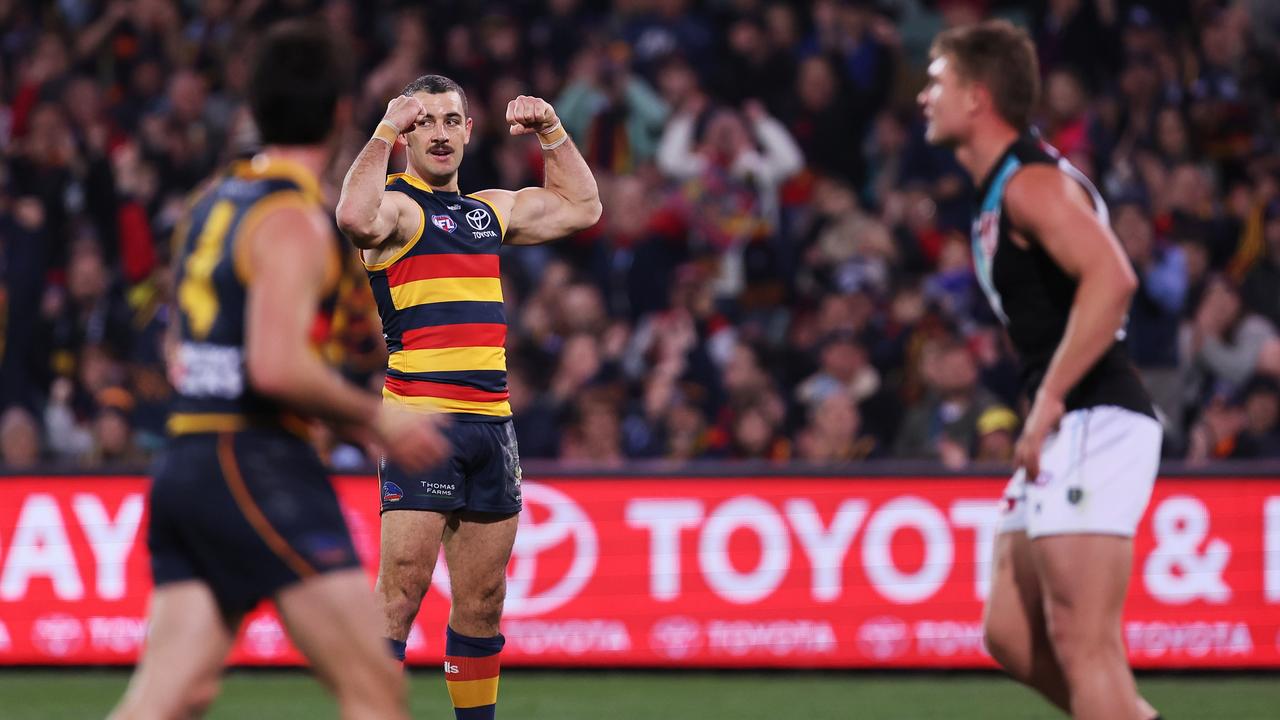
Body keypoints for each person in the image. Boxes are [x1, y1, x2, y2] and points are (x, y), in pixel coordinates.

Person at [110, 22, 448, 720]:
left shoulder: (212, 202)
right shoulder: (293, 220)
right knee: (375, 691)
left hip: (188, 459)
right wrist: (372, 417)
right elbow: (274, 364)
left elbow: (183, 348)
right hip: (255, 462)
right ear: (341, 112)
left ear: (254, 107)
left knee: (173, 695)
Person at [336, 75, 601, 720]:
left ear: (467, 130)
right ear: (407, 133)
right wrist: (381, 133)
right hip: (422, 424)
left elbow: (583, 207)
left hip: (492, 425)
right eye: (424, 121)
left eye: (451, 120)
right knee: (401, 589)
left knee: (483, 600)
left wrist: (552, 132)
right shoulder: (399, 207)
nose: (440, 132)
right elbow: (352, 216)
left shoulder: (486, 212)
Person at [919, 20, 1163, 720]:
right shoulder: (1003, 187)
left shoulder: (1031, 184)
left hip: (1093, 414)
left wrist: (1050, 398)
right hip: (1068, 423)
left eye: (937, 83)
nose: (923, 98)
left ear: (977, 97)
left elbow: (1112, 280)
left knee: (1083, 642)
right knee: (1011, 631)